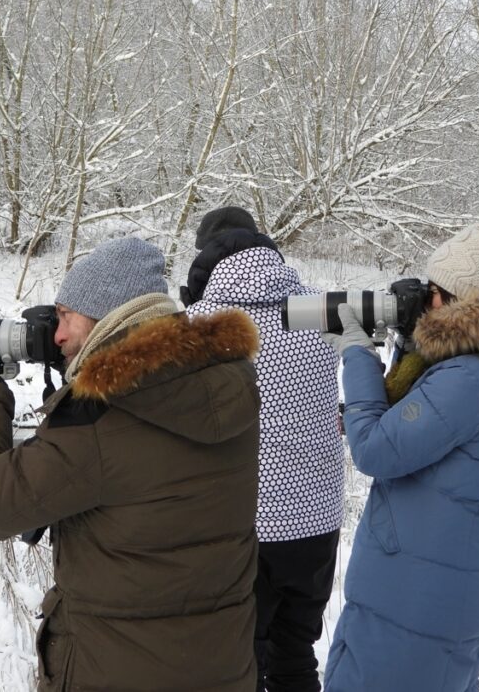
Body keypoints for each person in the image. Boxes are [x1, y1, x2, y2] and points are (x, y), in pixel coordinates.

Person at [0, 236, 262, 691]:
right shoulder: (222, 383)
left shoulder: (99, 421)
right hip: (221, 666)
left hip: (115, 669)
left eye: (66, 317)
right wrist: (78, 373)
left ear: (105, 314)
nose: (56, 336)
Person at [320, 205, 479, 692]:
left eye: (433, 292)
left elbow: (374, 448)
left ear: (459, 300)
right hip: (435, 585)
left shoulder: (469, 381)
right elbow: (409, 421)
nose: (425, 300)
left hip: (415, 597)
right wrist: (407, 349)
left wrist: (355, 352)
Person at [183, 206, 344, 692]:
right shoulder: (321, 311)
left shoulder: (195, 327)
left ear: (206, 256)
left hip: (239, 528)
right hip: (316, 523)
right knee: (296, 657)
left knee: (239, 663)